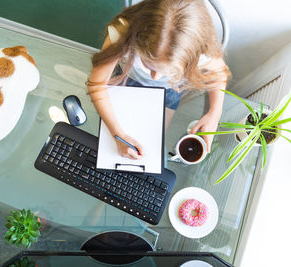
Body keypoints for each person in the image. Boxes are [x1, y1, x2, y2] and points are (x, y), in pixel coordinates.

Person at [87, 0, 231, 160]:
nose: (155, 77)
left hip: (170, 90)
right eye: (148, 64)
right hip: (126, 77)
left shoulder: (201, 51)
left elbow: (219, 74)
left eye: (169, 71)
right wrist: (118, 135)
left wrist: (214, 113)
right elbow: (96, 85)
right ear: (137, 40)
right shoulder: (123, 33)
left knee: (151, 147)